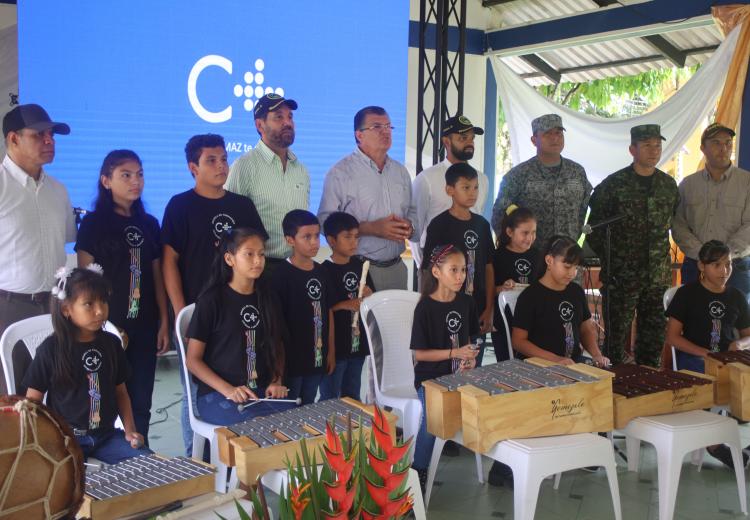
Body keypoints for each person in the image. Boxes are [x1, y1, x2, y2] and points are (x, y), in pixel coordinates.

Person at [162, 133, 266, 455]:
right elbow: (169, 261)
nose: (221, 166)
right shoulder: (180, 206)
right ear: (193, 167)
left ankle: (237, 454)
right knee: (193, 391)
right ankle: (195, 457)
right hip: (199, 313)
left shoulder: (241, 205)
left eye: (224, 158)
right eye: (212, 160)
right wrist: (182, 314)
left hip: (238, 315)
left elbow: (255, 251)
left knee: (236, 383)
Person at [75, 150, 169, 442]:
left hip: (144, 324)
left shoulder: (150, 223)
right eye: (125, 175)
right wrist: (95, 325)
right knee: (103, 395)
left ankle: (138, 452)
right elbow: (85, 280)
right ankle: (105, 454)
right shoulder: (93, 224)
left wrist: (164, 320)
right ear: (106, 181)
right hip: (106, 326)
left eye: (139, 174)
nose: (135, 181)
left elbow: (157, 274)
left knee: (141, 397)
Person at [23, 266, 151, 463]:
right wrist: (44, 440)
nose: (100, 310)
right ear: (66, 309)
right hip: (66, 439)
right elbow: (33, 402)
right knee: (67, 484)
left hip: (108, 436)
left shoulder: (111, 344)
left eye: (103, 301)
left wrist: (130, 431)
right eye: (89, 304)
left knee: (148, 463)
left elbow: (121, 392)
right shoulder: (50, 349)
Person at [588, 124, 679, 367]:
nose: (654, 150)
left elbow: (674, 224)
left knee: (653, 339)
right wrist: (614, 262)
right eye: (647, 145)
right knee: (615, 343)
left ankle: (647, 390)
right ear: (632, 149)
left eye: (658, 145)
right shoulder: (613, 185)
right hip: (622, 278)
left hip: (657, 278)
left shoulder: (668, 186)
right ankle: (615, 390)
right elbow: (594, 231)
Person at [0, 104, 76, 394]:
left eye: (52, 135)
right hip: (9, 306)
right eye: (39, 135)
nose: (49, 141)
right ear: (13, 139)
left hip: (55, 306)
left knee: (58, 394)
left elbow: (66, 238)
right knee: (12, 396)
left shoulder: (58, 190)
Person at [185, 228, 294, 425]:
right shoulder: (211, 301)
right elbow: (193, 360)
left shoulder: (268, 297)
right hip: (218, 394)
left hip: (261, 391)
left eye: (261, 254)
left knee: (293, 425)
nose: (258, 260)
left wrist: (277, 380)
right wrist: (228, 389)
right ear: (229, 259)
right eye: (249, 254)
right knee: (255, 430)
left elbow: (277, 344)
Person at [666, 240, 750, 469]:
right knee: (705, 383)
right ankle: (713, 444)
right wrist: (703, 353)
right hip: (694, 358)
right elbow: (673, 337)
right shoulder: (687, 294)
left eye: (728, 265)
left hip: (727, 360)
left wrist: (740, 345)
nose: (725, 271)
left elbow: (748, 335)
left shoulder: (736, 296)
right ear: (702, 266)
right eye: (717, 265)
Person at [318, 106, 416, 291]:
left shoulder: (400, 171)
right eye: (377, 127)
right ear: (359, 135)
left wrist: (410, 227)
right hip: (357, 268)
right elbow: (325, 223)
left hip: (397, 268)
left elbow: (412, 211)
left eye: (388, 126)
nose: (385, 132)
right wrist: (371, 228)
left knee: (397, 320)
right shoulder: (340, 173)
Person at [410, 244, 479, 490]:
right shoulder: (425, 308)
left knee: (492, 402)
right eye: (454, 270)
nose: (461, 276)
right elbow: (420, 354)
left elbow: (471, 340)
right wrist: (454, 353)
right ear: (437, 272)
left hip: (461, 377)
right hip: (431, 380)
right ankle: (418, 471)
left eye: (464, 270)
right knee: (431, 421)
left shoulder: (467, 303)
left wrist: (470, 358)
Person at [226, 94, 310, 273]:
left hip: (298, 267)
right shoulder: (244, 166)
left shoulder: (301, 170)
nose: (287, 122)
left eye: (290, 117)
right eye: (279, 117)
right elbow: (229, 226)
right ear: (259, 125)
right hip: (260, 268)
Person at [422, 162, 494, 365]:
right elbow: (429, 269)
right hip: (447, 306)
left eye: (476, 187)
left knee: (472, 364)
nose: (473, 193)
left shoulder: (482, 225)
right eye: (466, 187)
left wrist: (489, 308)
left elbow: (489, 266)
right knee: (447, 363)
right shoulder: (439, 225)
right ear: (449, 190)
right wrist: (428, 305)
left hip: (478, 309)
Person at [672, 123, 750, 301]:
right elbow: (678, 224)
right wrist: (702, 254)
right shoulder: (688, 185)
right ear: (703, 148)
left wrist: (722, 256)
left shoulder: (746, 182)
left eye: (728, 143)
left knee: (737, 325)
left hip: (736, 266)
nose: (723, 148)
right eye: (716, 143)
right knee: (693, 321)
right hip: (696, 264)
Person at [491, 113, 591, 247]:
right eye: (547, 134)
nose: (555, 138)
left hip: (566, 258)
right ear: (534, 140)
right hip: (529, 259)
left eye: (559, 133)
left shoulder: (577, 172)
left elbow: (583, 210)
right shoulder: (518, 175)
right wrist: (514, 253)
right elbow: (499, 215)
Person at [512, 235, 609, 367]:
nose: (572, 273)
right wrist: (555, 359)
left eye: (576, 268)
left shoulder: (576, 291)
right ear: (549, 260)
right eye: (567, 266)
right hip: (539, 366)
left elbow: (585, 329)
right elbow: (518, 341)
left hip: (573, 363)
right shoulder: (530, 296)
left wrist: (597, 354)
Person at [271, 210, 334, 404]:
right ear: (290, 240)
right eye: (307, 237)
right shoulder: (279, 275)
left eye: (316, 236)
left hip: (316, 357)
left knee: (308, 402)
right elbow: (275, 324)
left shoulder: (322, 271)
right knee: (288, 406)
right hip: (291, 361)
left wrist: (330, 351)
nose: (314, 242)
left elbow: (328, 311)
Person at [411, 115, 490, 268]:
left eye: (472, 138)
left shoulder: (482, 179)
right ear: (446, 141)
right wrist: (426, 268)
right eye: (463, 138)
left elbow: (478, 218)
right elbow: (416, 230)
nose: (469, 143)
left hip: (471, 262)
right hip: (437, 264)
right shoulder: (427, 179)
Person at [319, 212, 374, 401]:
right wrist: (346, 304)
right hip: (337, 346)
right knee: (331, 396)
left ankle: (352, 430)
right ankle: (329, 430)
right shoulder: (323, 270)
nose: (354, 242)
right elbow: (324, 310)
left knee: (352, 395)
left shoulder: (360, 265)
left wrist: (369, 295)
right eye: (347, 237)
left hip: (357, 345)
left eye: (356, 237)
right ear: (331, 241)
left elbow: (371, 299)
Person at [491, 205, 538, 362]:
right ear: (510, 232)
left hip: (531, 323)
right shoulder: (497, 256)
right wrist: (502, 288)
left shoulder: (538, 255)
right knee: (507, 364)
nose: (530, 238)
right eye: (525, 233)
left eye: (533, 233)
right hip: (504, 323)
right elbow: (489, 289)